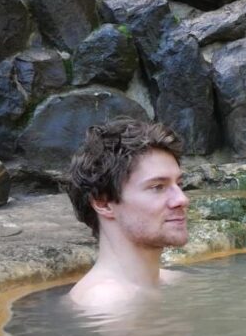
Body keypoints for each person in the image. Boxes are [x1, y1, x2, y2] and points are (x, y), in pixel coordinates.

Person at [67, 118, 190, 306]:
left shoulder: (173, 281)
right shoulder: (108, 301)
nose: (182, 199)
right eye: (158, 187)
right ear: (104, 203)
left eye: (179, 184)